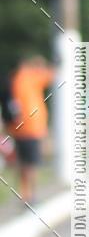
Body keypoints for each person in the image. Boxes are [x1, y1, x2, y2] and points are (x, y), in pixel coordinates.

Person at [6, 56, 55, 204]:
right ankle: (30, 196)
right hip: (32, 128)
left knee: (22, 162)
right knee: (31, 163)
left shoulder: (15, 78)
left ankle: (24, 193)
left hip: (18, 128)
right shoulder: (31, 77)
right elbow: (51, 75)